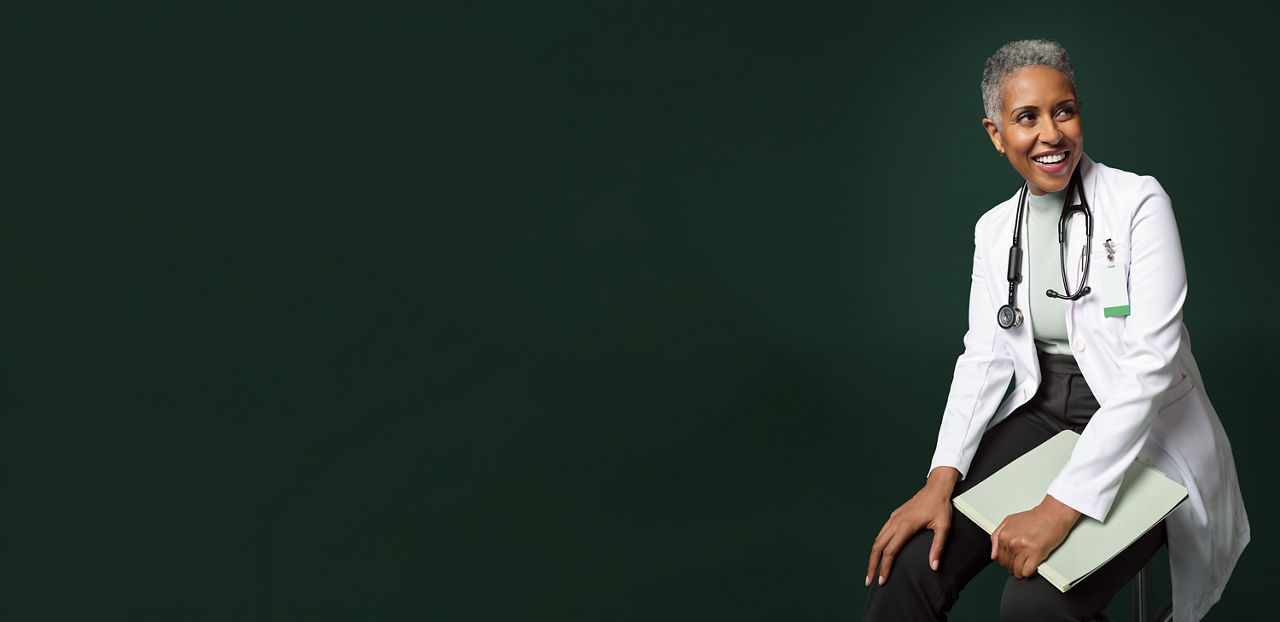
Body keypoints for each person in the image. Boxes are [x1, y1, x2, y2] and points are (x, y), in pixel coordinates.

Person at [861, 40, 1249, 622]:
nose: (1052, 134)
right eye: (1027, 118)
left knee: (1035, 604)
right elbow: (985, 356)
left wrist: (1060, 507)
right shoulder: (994, 231)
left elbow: (1149, 367)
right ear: (995, 134)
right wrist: (941, 479)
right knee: (913, 564)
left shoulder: (1139, 203)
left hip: (1141, 425)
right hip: (1041, 411)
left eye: (1064, 110)